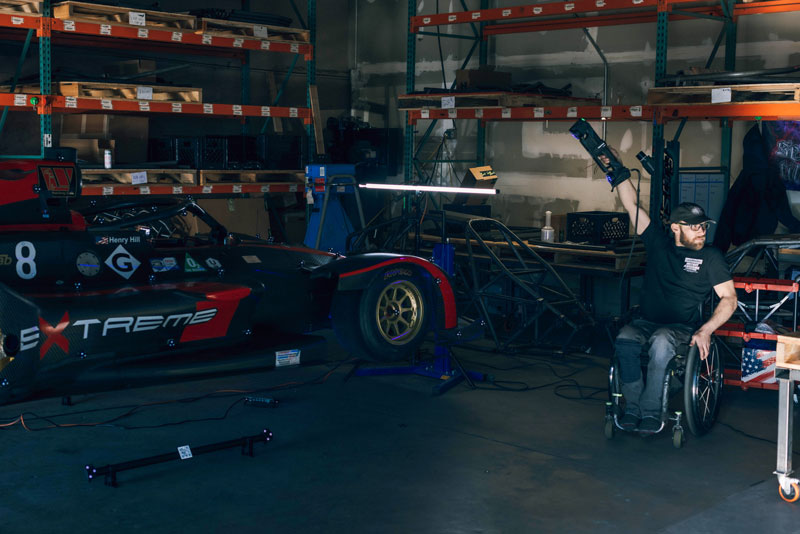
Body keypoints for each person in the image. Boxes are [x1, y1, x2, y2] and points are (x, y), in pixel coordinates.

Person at [612, 167, 738, 436]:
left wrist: (706, 330)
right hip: (645, 321)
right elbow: (631, 204)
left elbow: (729, 298)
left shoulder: (711, 257)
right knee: (625, 338)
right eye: (694, 227)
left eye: (703, 226)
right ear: (675, 228)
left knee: (660, 341)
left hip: (680, 328)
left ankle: (650, 411)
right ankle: (632, 408)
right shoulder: (659, 243)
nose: (701, 231)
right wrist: (616, 169)